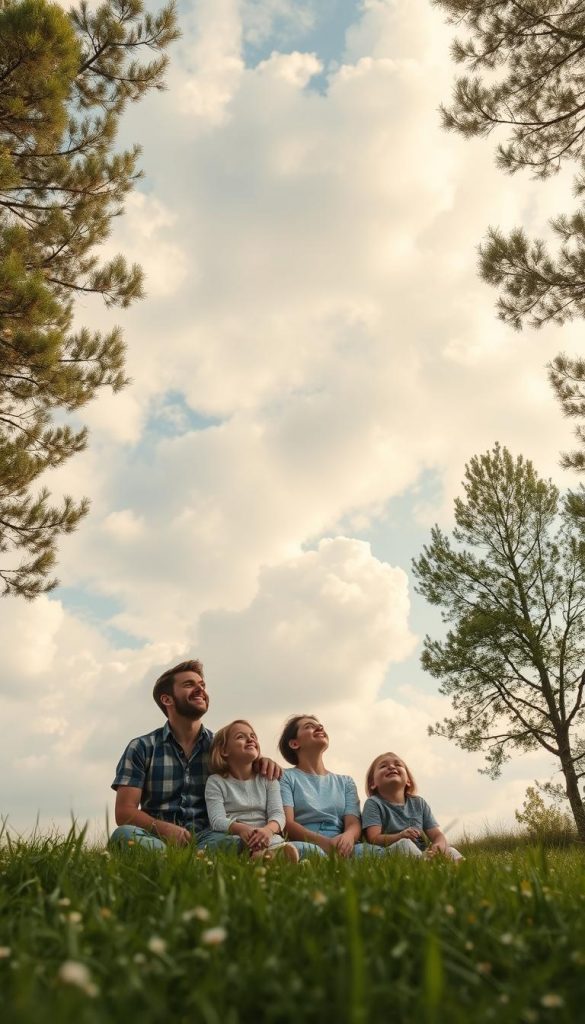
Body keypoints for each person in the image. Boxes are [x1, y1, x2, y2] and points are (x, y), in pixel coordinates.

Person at [110, 659, 279, 851]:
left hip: (209, 837)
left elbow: (246, 768)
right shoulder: (141, 747)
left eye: (202, 685)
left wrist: (261, 761)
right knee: (122, 835)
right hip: (155, 835)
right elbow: (124, 812)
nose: (201, 690)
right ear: (167, 699)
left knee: (240, 843)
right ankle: (171, 860)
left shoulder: (221, 748)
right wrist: (164, 828)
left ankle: (188, 860)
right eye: (189, 684)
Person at [278, 714, 380, 858]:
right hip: (306, 843)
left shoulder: (346, 782)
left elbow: (353, 823)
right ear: (294, 743)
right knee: (304, 850)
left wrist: (348, 838)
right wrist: (326, 844)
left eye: (320, 726)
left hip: (342, 844)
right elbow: (287, 823)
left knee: (376, 853)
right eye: (309, 726)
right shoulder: (285, 777)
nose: (319, 727)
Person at [205, 720, 301, 862]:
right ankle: (265, 857)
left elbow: (278, 815)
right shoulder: (216, 781)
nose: (250, 739)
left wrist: (267, 831)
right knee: (223, 844)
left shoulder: (268, 779)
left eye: (253, 736)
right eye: (240, 737)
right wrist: (243, 830)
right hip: (235, 835)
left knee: (300, 847)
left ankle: (264, 856)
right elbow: (216, 820)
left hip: (266, 835)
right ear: (224, 751)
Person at [362, 751, 463, 860]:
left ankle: (460, 872)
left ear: (408, 781)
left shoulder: (419, 803)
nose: (391, 767)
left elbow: (437, 835)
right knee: (405, 844)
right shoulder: (373, 803)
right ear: (372, 783)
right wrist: (400, 836)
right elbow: (374, 838)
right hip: (391, 854)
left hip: (421, 853)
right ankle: (425, 870)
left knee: (451, 850)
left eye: (398, 765)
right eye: (383, 766)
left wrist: (439, 845)